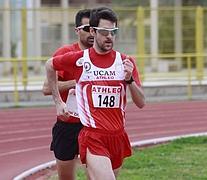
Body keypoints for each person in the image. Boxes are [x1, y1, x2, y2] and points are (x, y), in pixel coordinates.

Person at [46, 7, 145, 180]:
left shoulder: (125, 61)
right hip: (92, 135)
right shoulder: (79, 59)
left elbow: (141, 102)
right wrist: (58, 102)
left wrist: (129, 80)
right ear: (93, 31)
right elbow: (50, 65)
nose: (109, 36)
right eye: (105, 32)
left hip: (117, 135)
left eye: (113, 32)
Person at [42, 9, 93, 180]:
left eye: (95, 28)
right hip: (68, 125)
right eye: (87, 28)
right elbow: (46, 88)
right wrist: (77, 83)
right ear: (77, 30)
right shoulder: (65, 53)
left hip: (94, 127)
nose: (91, 32)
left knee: (97, 175)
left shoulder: (104, 57)